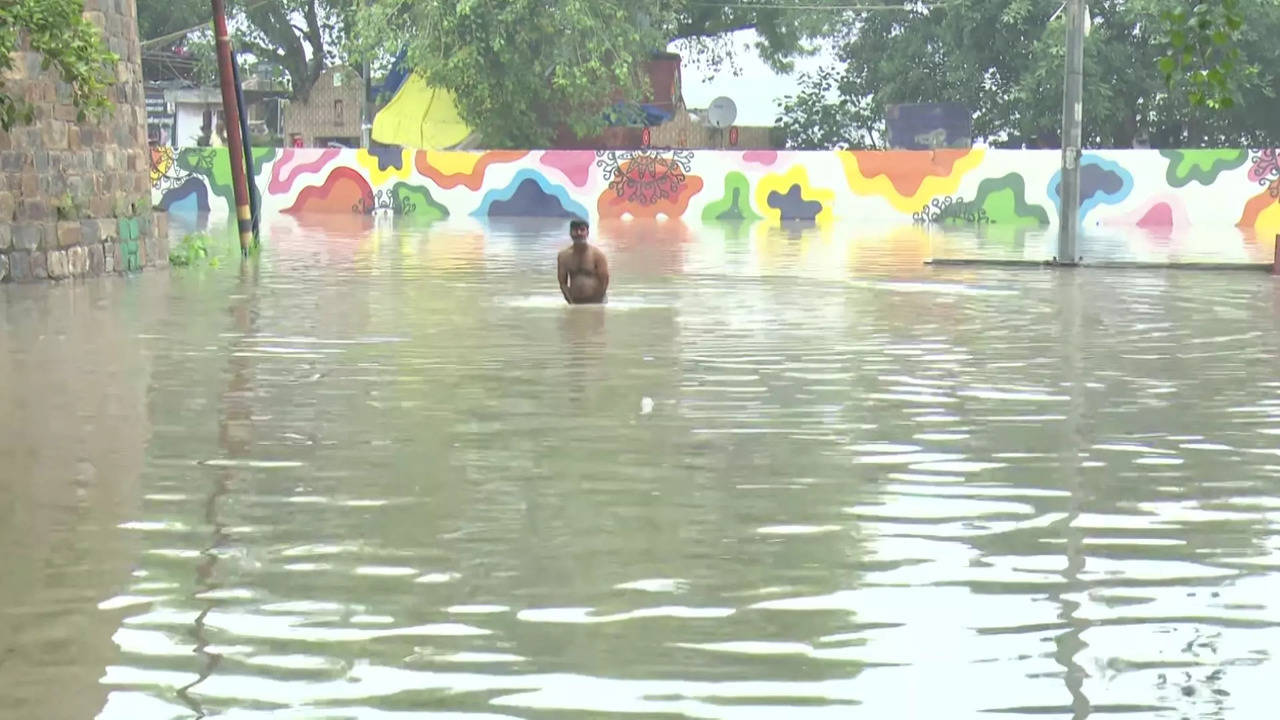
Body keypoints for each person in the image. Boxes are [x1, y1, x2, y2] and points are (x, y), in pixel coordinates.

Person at [557, 219, 609, 304]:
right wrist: (570, 301)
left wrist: (597, 301)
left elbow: (605, 281)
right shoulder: (563, 256)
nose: (579, 233)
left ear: (587, 233)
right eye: (575, 230)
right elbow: (562, 283)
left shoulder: (597, 255)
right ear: (570, 233)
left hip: (598, 302)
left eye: (582, 230)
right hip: (575, 302)